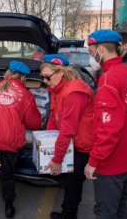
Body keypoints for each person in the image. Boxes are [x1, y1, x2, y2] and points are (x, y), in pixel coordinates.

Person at [84, 30, 127, 219]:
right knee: (120, 208)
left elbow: (108, 128)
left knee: (106, 212)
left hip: (112, 162)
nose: (91, 56)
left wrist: (93, 162)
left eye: (91, 51)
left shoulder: (109, 78)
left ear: (101, 49)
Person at [0, 61, 42, 219]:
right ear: (23, 77)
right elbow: (34, 124)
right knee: (8, 176)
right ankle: (9, 207)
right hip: (8, 143)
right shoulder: (26, 95)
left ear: (8, 72)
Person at [41, 54, 95, 219]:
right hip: (72, 144)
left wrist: (57, 159)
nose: (45, 81)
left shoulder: (74, 93)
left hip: (82, 146)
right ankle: (67, 211)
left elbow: (67, 130)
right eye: (42, 77)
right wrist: (48, 140)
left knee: (73, 184)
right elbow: (53, 116)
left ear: (61, 72)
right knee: (70, 182)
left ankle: (69, 215)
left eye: (47, 77)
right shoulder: (56, 88)